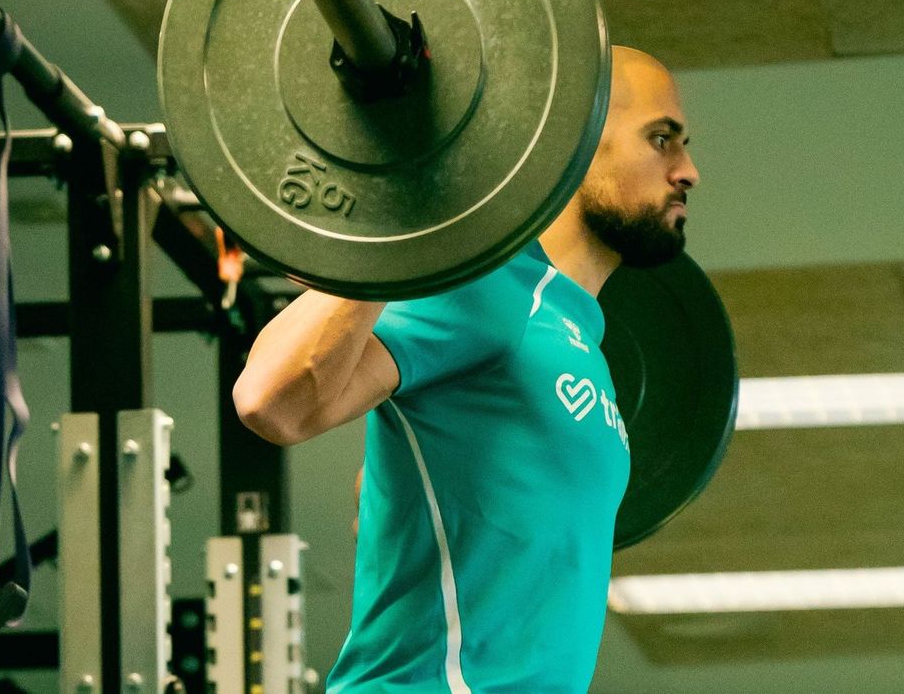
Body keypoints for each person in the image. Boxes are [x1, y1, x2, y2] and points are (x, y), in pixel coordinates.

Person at [233, 46, 700, 693]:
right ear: (574, 142)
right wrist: (403, 224)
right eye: (661, 140)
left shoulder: (578, 334)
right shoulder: (484, 283)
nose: (688, 172)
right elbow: (270, 401)